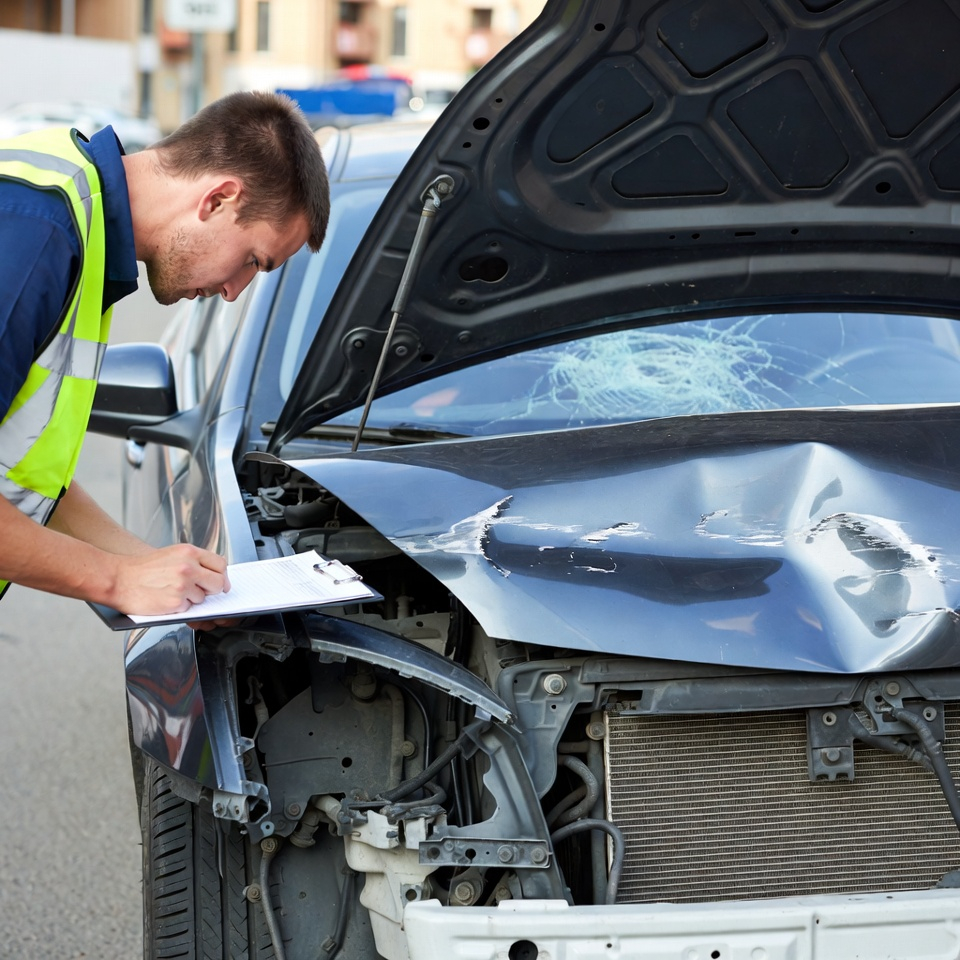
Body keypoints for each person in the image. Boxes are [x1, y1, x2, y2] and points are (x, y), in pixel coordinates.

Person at [0, 90, 330, 617]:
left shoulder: (74, 227)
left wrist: (161, 572)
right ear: (217, 199)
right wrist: (117, 580)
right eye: (251, 259)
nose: (233, 292)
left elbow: (26, 482)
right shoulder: (39, 231)